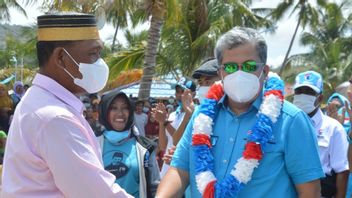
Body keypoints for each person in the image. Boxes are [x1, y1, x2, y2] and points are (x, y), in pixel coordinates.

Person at [156, 27, 324, 198]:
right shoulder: (201, 117)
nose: (239, 73)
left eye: (249, 66)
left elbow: (310, 192)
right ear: (220, 72)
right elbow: (180, 170)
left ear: (264, 72)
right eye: (229, 67)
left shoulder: (292, 121)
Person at [1, 13, 132, 197]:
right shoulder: (55, 118)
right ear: (61, 57)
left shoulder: (39, 100)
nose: (100, 62)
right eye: (93, 54)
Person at [293, 71, 349, 198]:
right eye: (299, 91)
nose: (303, 95)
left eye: (309, 92)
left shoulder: (333, 128)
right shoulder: (286, 125)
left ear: (320, 98)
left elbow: (342, 172)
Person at [97, 90, 160, 198]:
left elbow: (155, 187)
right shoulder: (92, 143)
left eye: (125, 107)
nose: (120, 113)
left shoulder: (145, 147)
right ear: (104, 111)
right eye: (113, 108)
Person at [153, 77, 196, 178]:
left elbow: (180, 140)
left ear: (193, 94)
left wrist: (165, 122)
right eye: (178, 91)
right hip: (166, 169)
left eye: (184, 92)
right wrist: (161, 122)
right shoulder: (173, 115)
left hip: (182, 171)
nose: (180, 95)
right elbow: (163, 146)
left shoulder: (197, 114)